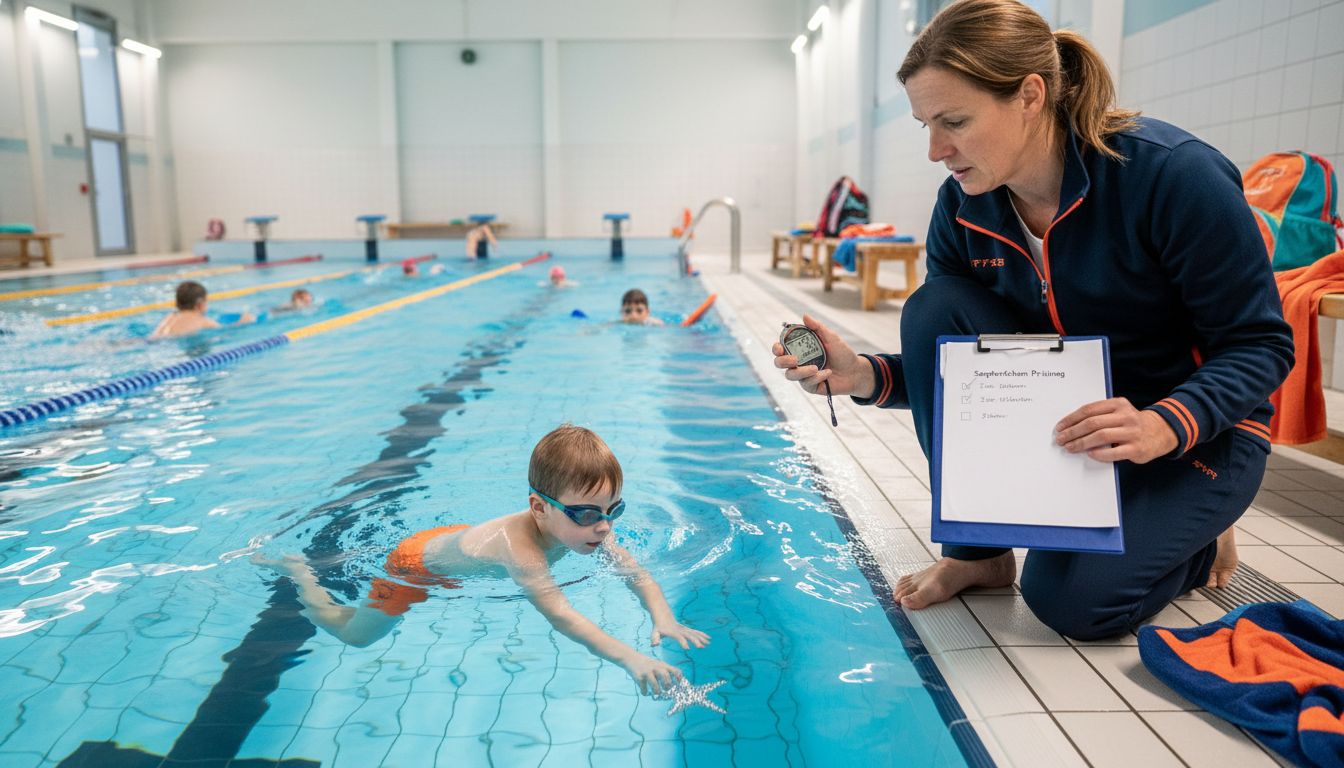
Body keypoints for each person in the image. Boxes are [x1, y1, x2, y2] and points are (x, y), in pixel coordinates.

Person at [773, 0, 1292, 641]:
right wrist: (861, 376)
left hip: (1195, 433)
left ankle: (1201, 540)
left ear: (1030, 95)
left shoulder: (1171, 176)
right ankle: (979, 554)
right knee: (934, 306)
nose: (937, 150)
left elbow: (1260, 344)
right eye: (925, 125)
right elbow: (960, 374)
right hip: (1075, 426)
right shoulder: (964, 208)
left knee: (1072, 604)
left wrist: (1165, 424)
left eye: (954, 121)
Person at [255, 424, 708, 695]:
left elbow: (634, 571)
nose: (605, 527)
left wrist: (663, 617)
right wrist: (630, 658)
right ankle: (299, 572)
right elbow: (562, 616)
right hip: (414, 563)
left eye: (613, 511)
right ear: (539, 508)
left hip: (458, 546)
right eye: (588, 514)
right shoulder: (523, 550)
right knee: (356, 636)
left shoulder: (586, 529)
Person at [150, 281, 255, 338]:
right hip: (172, 342)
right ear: (200, 304)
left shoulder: (171, 316)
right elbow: (225, 331)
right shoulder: (201, 320)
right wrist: (242, 322)